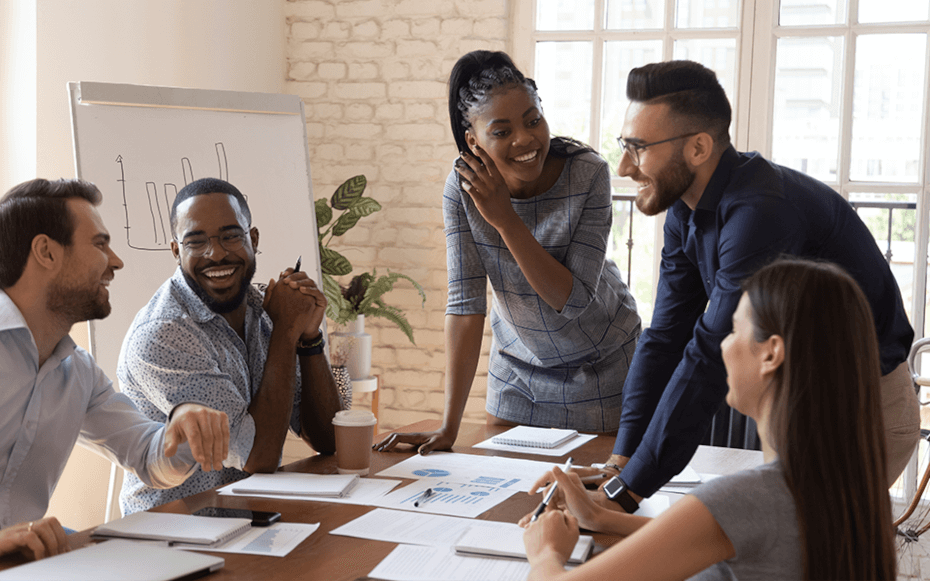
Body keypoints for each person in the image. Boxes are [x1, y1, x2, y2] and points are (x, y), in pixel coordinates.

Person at [583, 60, 917, 509]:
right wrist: (619, 466)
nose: (623, 166)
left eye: (638, 148)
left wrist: (627, 494)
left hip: (859, 409)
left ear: (699, 147)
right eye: (626, 145)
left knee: (805, 559)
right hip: (795, 402)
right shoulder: (686, 210)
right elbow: (665, 338)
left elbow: (707, 355)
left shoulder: (760, 213)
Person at [522, 258, 897, 580]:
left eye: (735, 330)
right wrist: (602, 518)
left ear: (771, 354)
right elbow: (731, 535)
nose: (724, 345)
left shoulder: (748, 496)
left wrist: (546, 554)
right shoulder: (839, 485)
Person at [375, 50, 640, 454]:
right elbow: (465, 305)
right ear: (473, 140)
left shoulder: (588, 174)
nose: (525, 139)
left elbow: (570, 300)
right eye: (501, 132)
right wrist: (449, 427)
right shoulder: (461, 189)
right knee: (503, 502)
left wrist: (505, 219)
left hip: (602, 368)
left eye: (533, 120)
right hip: (518, 373)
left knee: (588, 502)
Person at [0, 178, 229, 560]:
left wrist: (185, 422)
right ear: (46, 252)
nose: (116, 261)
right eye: (99, 244)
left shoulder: (79, 372)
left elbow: (151, 459)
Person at [117, 177, 343, 514]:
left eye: (230, 236)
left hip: (249, 517)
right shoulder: (163, 334)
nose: (217, 253)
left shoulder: (261, 307)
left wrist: (309, 339)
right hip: (174, 531)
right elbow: (258, 456)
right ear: (176, 251)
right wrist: (285, 330)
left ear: (252, 239)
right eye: (196, 241)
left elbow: (329, 439)